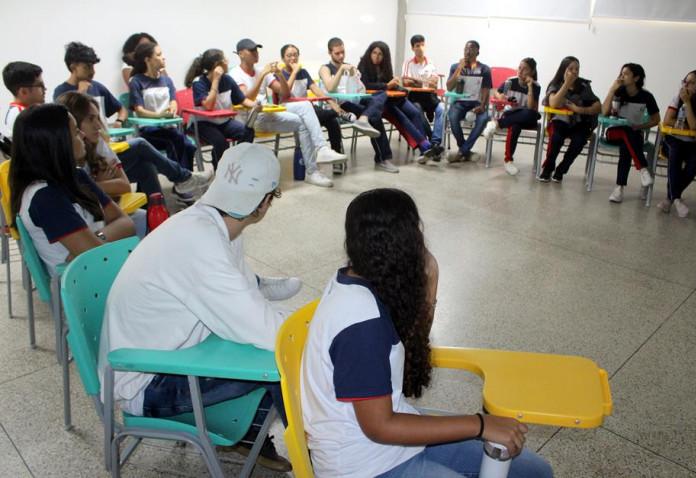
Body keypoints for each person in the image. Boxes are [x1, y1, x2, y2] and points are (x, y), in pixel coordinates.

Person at [302, 187, 554, 478]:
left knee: (535, 472)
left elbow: (407, 355)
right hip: (365, 465)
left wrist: (430, 283)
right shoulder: (360, 323)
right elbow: (380, 426)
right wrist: (481, 424)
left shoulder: (362, 276)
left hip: (391, 441)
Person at [98, 143, 301, 473]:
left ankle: (252, 438)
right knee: (283, 362)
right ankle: (320, 458)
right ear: (265, 203)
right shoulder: (202, 242)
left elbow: (238, 292)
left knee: (264, 348)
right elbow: (268, 331)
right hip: (145, 382)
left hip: (164, 354)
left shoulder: (209, 223)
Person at [8, 104, 135, 275]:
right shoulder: (45, 198)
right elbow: (95, 256)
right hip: (85, 287)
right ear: (57, 143)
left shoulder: (77, 175)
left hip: (100, 270)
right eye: (75, 132)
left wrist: (98, 237)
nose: (82, 135)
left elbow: (126, 223)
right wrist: (101, 242)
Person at [229, 38, 346, 188]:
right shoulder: (236, 74)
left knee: (304, 109)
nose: (255, 53)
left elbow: (285, 92)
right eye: (251, 51)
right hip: (251, 120)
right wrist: (262, 76)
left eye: (256, 50)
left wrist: (280, 75)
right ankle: (318, 156)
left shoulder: (261, 71)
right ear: (241, 54)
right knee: (306, 113)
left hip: (268, 115)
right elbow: (246, 98)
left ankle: (315, 165)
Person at [56, 92, 147, 237]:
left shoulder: (97, 143)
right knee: (137, 221)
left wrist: (93, 185)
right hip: (91, 223)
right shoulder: (60, 162)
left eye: (98, 118)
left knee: (143, 217)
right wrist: (97, 184)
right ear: (73, 124)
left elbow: (124, 186)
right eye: (91, 119)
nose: (98, 125)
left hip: (100, 216)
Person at [318, 37, 395, 172]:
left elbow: (361, 90)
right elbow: (330, 88)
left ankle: (364, 118)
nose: (341, 56)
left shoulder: (348, 66)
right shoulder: (325, 68)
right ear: (330, 52)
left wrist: (354, 76)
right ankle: (383, 158)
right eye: (337, 53)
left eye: (343, 52)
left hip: (351, 101)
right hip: (337, 105)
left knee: (381, 94)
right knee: (375, 117)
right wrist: (341, 70)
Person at [275, 43, 366, 158]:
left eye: (295, 55)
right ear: (283, 58)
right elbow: (285, 93)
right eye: (289, 56)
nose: (293, 58)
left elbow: (316, 90)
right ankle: (340, 114)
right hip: (290, 110)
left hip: (308, 108)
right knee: (329, 114)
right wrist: (294, 71)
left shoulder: (303, 72)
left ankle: (337, 155)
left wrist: (332, 103)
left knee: (332, 121)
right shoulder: (280, 74)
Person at [357, 41, 434, 162]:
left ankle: (425, 149)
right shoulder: (363, 65)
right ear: (370, 53)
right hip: (375, 102)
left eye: (380, 54)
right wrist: (387, 85)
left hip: (391, 98)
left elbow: (391, 83)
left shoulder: (385, 66)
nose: (376, 56)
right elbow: (365, 85)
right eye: (374, 53)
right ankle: (426, 146)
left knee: (414, 112)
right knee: (399, 115)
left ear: (385, 56)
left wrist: (402, 89)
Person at [128, 41, 197, 172]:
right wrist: (160, 116)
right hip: (149, 130)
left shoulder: (167, 80)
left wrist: (172, 108)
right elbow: (140, 111)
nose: (163, 57)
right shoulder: (136, 81)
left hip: (169, 128)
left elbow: (173, 101)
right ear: (147, 60)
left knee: (188, 145)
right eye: (159, 55)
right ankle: (182, 179)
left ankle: (184, 180)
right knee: (175, 141)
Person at [656, 70, 696, 218]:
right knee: (675, 153)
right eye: (685, 81)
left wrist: (688, 102)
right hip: (675, 139)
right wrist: (681, 124)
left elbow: (695, 125)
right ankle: (676, 199)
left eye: (692, 82)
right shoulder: (678, 97)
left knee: (695, 161)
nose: (686, 85)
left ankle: (670, 198)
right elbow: (667, 120)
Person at [185, 49, 256, 168]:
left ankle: (236, 161)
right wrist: (216, 80)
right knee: (220, 141)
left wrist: (257, 106)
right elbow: (208, 106)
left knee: (247, 132)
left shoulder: (228, 80)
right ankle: (220, 171)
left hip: (224, 122)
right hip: (203, 124)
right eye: (224, 59)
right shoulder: (199, 82)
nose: (227, 62)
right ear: (216, 66)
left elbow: (242, 99)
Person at [600, 63, 660, 203]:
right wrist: (611, 91)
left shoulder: (646, 96)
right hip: (613, 133)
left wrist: (640, 126)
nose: (622, 76)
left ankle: (619, 189)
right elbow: (604, 112)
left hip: (633, 134)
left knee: (626, 146)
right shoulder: (618, 92)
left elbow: (656, 119)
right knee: (627, 134)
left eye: (626, 74)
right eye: (621, 73)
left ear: (636, 78)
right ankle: (643, 169)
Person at [539, 56, 601, 183]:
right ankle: (548, 168)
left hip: (579, 122)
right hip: (560, 120)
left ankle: (561, 169)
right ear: (563, 70)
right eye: (571, 69)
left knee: (579, 141)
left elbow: (598, 106)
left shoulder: (583, 85)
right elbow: (554, 103)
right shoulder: (555, 84)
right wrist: (567, 84)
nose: (574, 72)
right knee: (556, 138)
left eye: (577, 69)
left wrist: (580, 110)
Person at [483, 58, 541, 176]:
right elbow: (496, 93)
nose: (520, 71)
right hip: (511, 115)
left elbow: (531, 106)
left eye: (525, 69)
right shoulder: (510, 82)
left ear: (532, 72)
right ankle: (508, 161)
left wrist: (530, 86)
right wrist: (501, 97)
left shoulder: (536, 86)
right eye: (519, 68)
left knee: (530, 113)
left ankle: (496, 123)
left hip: (526, 117)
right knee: (515, 126)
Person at [53, 42, 128, 128]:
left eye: (93, 66)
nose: (92, 72)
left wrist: (119, 121)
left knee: (140, 141)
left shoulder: (97, 87)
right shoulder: (61, 92)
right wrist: (81, 93)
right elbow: (65, 121)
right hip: (78, 140)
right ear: (73, 67)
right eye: (87, 67)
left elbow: (122, 109)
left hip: (102, 138)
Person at [446, 40, 492, 163]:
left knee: (483, 118)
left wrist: (482, 105)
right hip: (459, 102)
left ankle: (461, 152)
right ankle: (465, 151)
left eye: (471, 49)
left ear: (478, 52)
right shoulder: (455, 67)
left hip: (477, 103)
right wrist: (459, 69)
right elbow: (449, 87)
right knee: (452, 116)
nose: (468, 51)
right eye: (466, 48)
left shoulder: (484, 69)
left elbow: (486, 90)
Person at [401, 34, 445, 162]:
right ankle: (430, 142)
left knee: (442, 109)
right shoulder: (408, 63)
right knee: (417, 112)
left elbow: (434, 83)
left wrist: (415, 79)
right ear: (412, 48)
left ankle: (435, 143)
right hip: (414, 97)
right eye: (417, 46)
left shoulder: (430, 62)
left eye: (422, 45)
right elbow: (405, 82)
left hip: (430, 96)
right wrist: (424, 81)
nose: (420, 48)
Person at [2, 61, 45, 139]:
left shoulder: (17, 111)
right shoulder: (23, 116)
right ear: (23, 91)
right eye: (40, 85)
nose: (45, 89)